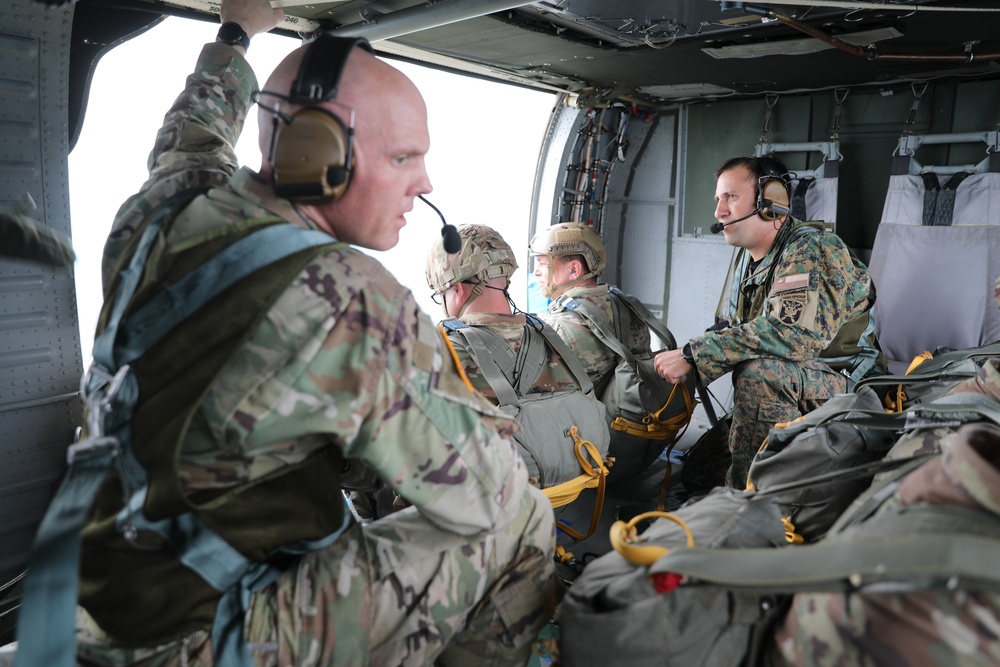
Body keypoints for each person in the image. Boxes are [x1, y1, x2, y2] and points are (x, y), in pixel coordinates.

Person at [71, 1, 556, 664]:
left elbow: (192, 134)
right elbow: (484, 494)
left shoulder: (160, 208)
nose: (425, 182)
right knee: (526, 516)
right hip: (205, 640)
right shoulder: (353, 298)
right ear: (315, 155)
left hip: (94, 601)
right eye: (403, 156)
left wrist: (236, 35)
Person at [654, 155, 886, 488]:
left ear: (771, 202)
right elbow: (733, 328)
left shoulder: (811, 249)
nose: (719, 212)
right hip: (798, 383)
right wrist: (687, 361)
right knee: (700, 475)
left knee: (761, 374)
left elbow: (791, 336)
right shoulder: (749, 258)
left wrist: (694, 354)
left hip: (847, 384)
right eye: (718, 200)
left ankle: (756, 509)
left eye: (731, 198)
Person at [529, 222, 652, 390]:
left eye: (543, 263)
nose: (536, 272)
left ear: (574, 269)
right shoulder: (625, 305)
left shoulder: (558, 327)